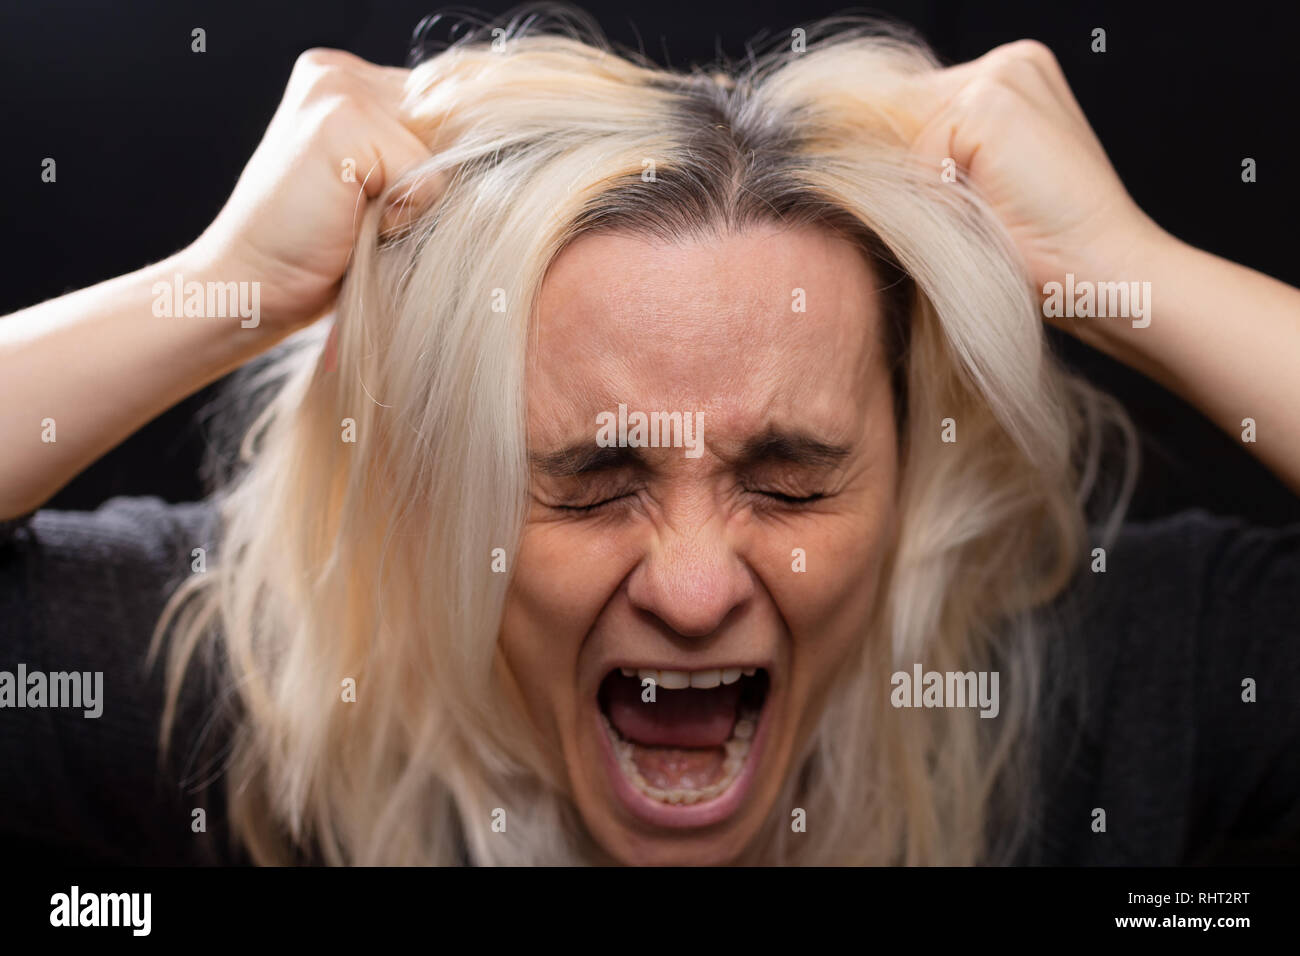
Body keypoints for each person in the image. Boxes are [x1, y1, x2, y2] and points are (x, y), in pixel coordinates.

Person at [2, 11, 1298, 866]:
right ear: (438, 487)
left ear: (912, 470)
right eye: (591, 482)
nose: (692, 590)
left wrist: (1128, 268)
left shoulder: (1104, 700)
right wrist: (224, 285)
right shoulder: (240, 694)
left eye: (789, 483)